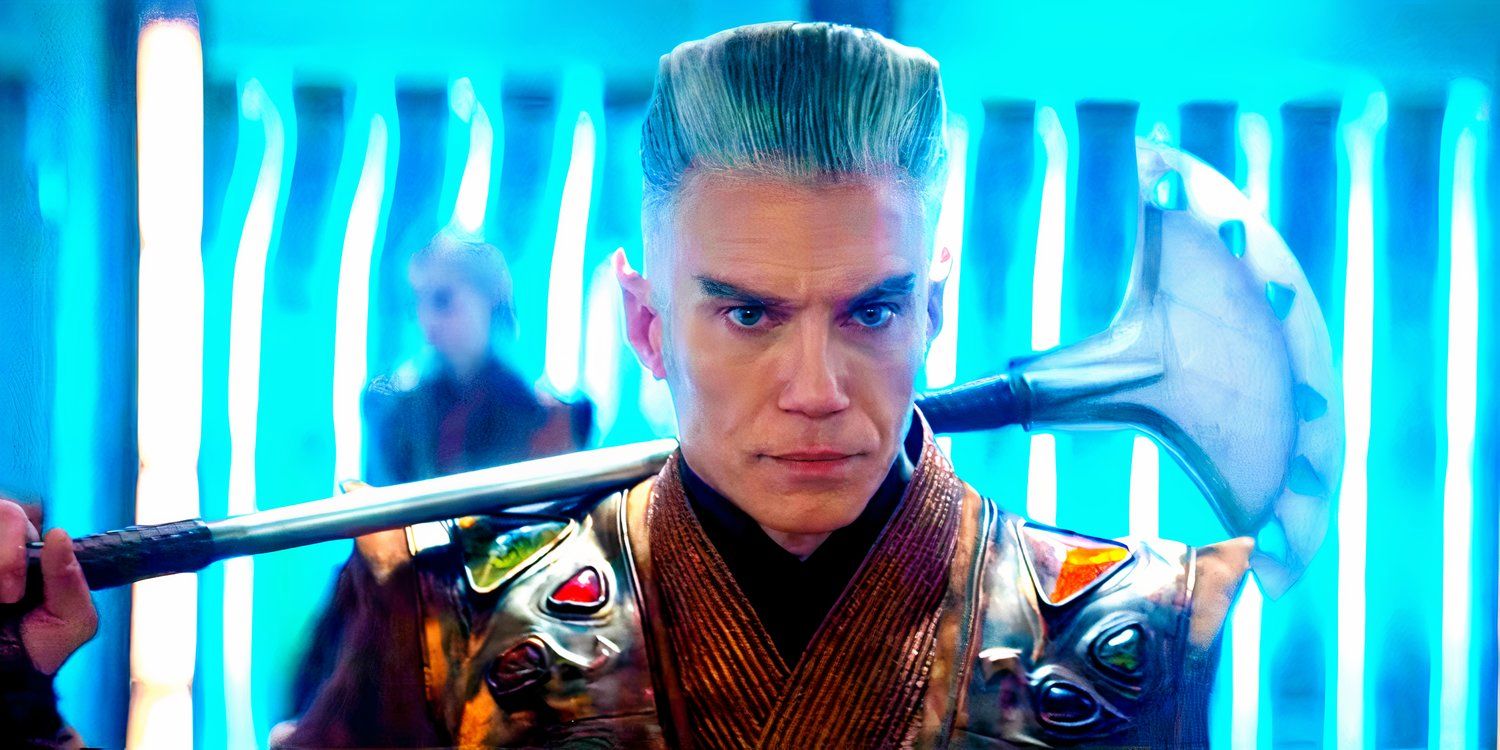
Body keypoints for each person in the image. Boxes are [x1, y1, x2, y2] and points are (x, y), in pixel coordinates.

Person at [2, 22, 1250, 748]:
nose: (816, 388)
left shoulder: (1125, 635)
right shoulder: (450, 623)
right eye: (748, 314)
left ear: (933, 306)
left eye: (870, 311)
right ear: (647, 323)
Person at [290, 231, 592, 716]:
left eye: (443, 299)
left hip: (506, 600)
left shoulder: (550, 412)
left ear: (489, 300)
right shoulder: (394, 405)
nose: (427, 318)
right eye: (420, 301)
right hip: (409, 592)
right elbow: (379, 517)